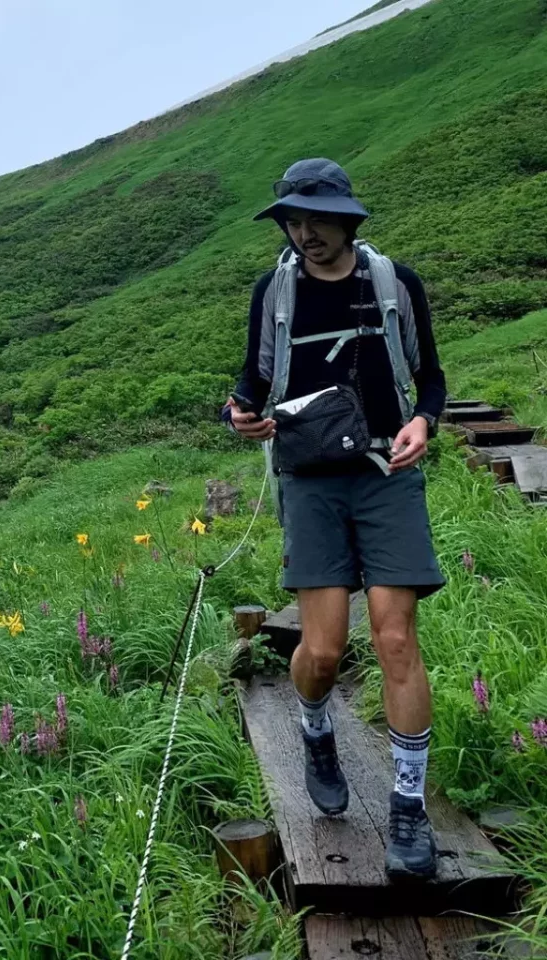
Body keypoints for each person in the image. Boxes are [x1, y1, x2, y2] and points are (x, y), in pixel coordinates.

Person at [226, 158, 447, 879]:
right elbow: (251, 381)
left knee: (393, 638)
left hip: (386, 473)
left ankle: (407, 810)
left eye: (315, 220)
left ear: (346, 219)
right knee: (319, 654)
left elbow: (431, 378)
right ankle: (315, 727)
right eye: (292, 221)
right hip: (311, 481)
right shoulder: (276, 292)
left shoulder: (391, 283)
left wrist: (424, 420)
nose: (303, 233)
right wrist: (239, 414)